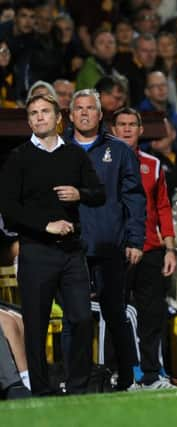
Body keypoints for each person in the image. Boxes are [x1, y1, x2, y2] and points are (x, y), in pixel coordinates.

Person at [0, 93, 105, 395]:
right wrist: (46, 226)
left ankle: (77, 389)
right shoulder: (18, 158)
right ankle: (42, 393)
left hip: (72, 252)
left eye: (44, 111)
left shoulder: (74, 155)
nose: (39, 117)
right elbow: (8, 207)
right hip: (35, 251)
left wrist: (79, 193)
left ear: (58, 117)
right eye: (33, 113)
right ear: (29, 120)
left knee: (82, 318)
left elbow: (99, 193)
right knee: (36, 326)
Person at [64, 89, 146, 391]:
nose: (85, 113)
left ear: (101, 116)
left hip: (110, 245)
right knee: (77, 317)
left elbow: (134, 199)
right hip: (71, 249)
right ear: (70, 115)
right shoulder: (59, 150)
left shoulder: (120, 151)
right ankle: (76, 384)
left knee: (115, 314)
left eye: (90, 108)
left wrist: (135, 240)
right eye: (79, 108)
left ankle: (127, 379)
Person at [112, 107, 177, 389]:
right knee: (115, 315)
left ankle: (152, 374)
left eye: (132, 124)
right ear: (113, 130)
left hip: (151, 249)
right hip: (115, 250)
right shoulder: (104, 161)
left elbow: (163, 207)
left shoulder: (153, 165)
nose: (127, 129)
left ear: (141, 130)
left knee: (152, 315)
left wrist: (170, 248)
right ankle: (120, 374)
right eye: (121, 124)